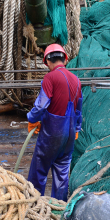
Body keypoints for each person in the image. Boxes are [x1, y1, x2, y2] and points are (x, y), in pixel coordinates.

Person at [26, 44, 82, 201]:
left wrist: (31, 119)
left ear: (47, 62)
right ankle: (58, 210)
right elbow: (79, 110)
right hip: (70, 134)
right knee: (62, 174)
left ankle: (34, 206)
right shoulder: (76, 81)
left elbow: (41, 105)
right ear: (65, 59)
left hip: (52, 133)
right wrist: (76, 128)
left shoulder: (49, 78)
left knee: (39, 171)